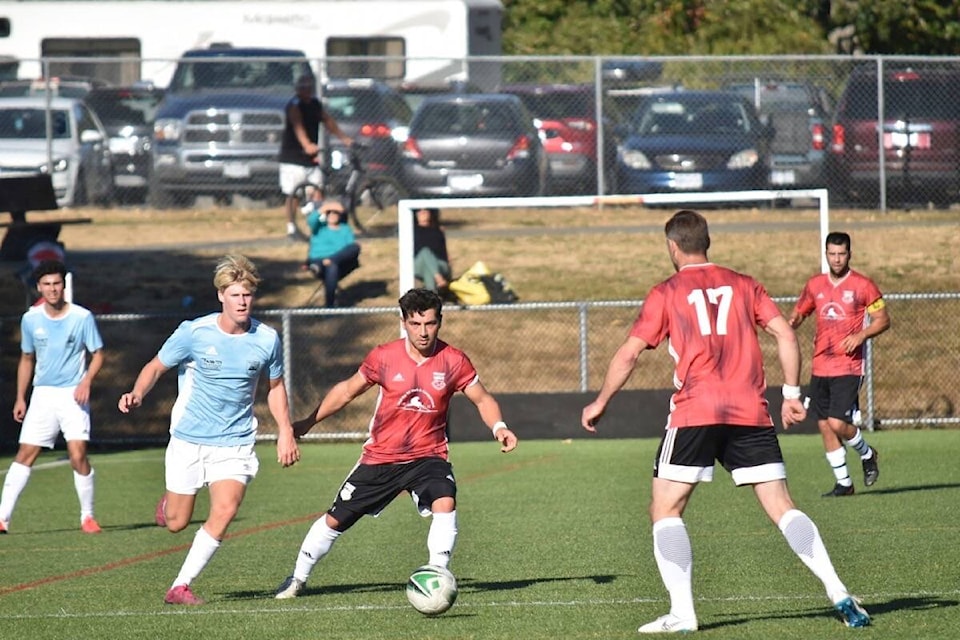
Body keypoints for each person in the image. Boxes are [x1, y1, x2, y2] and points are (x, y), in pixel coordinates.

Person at [580, 210, 870, 632]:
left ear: (672, 247)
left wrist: (601, 401)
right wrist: (790, 395)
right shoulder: (744, 284)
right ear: (708, 242)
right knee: (782, 507)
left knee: (666, 508)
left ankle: (683, 614)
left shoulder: (666, 291)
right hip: (749, 412)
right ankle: (838, 590)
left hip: (695, 411)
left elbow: (629, 353)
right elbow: (786, 335)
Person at [273, 288, 518, 599]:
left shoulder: (454, 361)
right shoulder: (384, 356)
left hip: (428, 456)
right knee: (336, 518)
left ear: (439, 322)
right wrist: (306, 423)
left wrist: (499, 427)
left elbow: (482, 399)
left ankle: (437, 575)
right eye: (415, 324)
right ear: (404, 322)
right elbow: (347, 391)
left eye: (430, 324)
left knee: (446, 499)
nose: (423, 332)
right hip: (381, 457)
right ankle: (297, 579)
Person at [118, 255, 300, 606]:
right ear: (221, 296)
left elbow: (275, 387)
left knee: (226, 509)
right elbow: (156, 366)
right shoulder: (194, 333)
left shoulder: (266, 338)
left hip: (235, 442)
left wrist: (285, 431)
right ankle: (170, 503)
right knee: (176, 523)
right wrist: (137, 393)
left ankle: (180, 586)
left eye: (247, 295)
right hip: (189, 439)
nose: (242, 302)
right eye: (235, 295)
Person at [1, 260, 104, 535]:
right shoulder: (30, 319)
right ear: (39, 288)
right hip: (43, 395)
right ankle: (3, 518)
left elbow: (98, 354)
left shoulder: (82, 317)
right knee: (25, 454)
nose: (52, 289)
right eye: (47, 284)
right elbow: (26, 358)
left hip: (73, 395)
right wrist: (21, 397)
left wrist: (85, 382)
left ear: (64, 285)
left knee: (77, 454)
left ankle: (88, 516)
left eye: (57, 283)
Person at [788, 231, 890, 497]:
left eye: (841, 254)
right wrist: (791, 323)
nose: (836, 259)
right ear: (825, 254)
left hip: (849, 366)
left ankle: (867, 454)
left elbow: (883, 320)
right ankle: (844, 483)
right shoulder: (814, 285)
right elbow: (801, 310)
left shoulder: (863, 285)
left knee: (836, 422)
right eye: (832, 254)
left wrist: (861, 335)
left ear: (849, 254)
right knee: (823, 425)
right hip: (821, 365)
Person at [279, 73, 352, 241]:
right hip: (293, 158)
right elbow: (298, 127)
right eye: (303, 87)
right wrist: (307, 145)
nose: (306, 90)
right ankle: (292, 227)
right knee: (293, 194)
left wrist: (345, 138)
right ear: (298, 89)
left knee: (317, 191)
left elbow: (327, 121)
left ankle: (317, 226)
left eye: (309, 87)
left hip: (311, 159)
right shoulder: (294, 105)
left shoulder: (314, 104)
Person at [413, 207, 453, 293]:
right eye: (419, 210)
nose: (423, 212)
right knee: (425, 252)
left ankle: (431, 299)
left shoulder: (438, 230)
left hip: (440, 264)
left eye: (426, 210)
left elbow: (445, 251)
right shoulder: (411, 231)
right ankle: (438, 279)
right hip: (418, 264)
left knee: (428, 270)